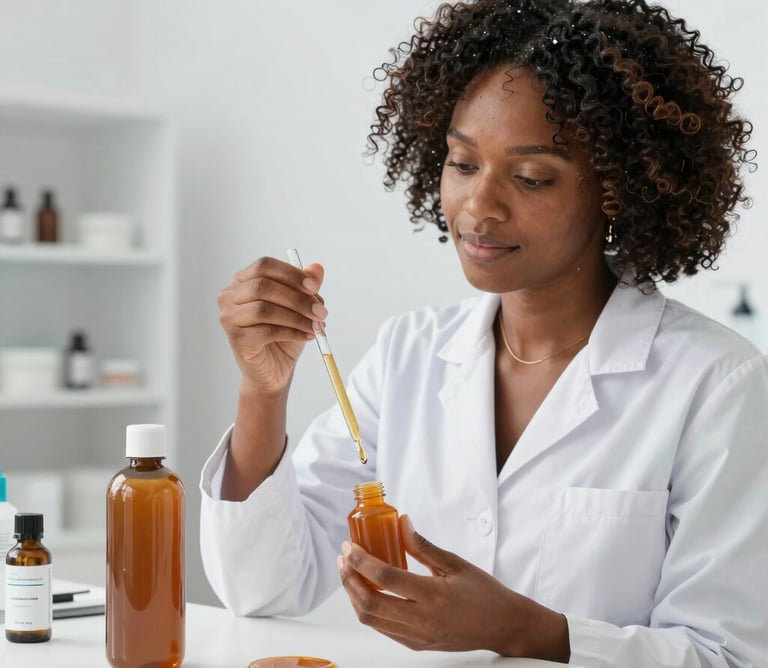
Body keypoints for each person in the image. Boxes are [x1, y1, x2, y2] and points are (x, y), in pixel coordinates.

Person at [200, 0, 767, 665]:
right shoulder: (409, 356)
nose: (478, 207)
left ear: (619, 193)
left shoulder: (716, 385)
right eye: (463, 164)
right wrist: (261, 394)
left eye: (530, 177)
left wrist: (523, 631)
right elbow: (263, 589)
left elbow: (727, 655)